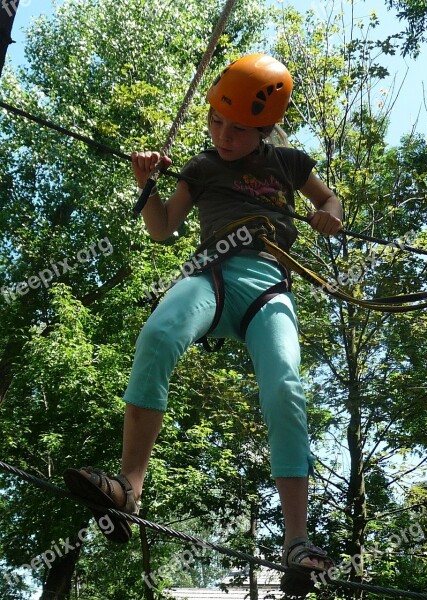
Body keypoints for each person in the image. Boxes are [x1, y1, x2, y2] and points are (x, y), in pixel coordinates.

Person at [64, 54, 342, 595]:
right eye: (217, 121)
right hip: (211, 274)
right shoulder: (201, 166)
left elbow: (329, 197)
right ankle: (129, 488)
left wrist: (330, 211)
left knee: (285, 386)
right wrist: (146, 184)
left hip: (268, 287)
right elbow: (164, 229)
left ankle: (297, 544)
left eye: (238, 128)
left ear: (264, 129)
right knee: (159, 334)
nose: (223, 134)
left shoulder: (289, 162)